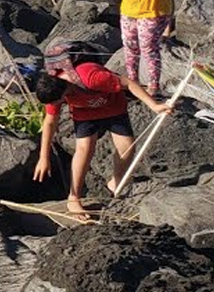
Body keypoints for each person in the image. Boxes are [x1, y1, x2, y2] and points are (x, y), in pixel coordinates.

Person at [33, 61, 172, 215]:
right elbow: (50, 122)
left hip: (114, 108)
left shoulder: (92, 78)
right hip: (85, 114)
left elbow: (129, 83)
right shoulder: (53, 88)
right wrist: (43, 156)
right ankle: (73, 198)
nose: (55, 105)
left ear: (65, 90)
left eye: (56, 102)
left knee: (127, 148)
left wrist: (154, 105)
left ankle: (115, 183)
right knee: (84, 149)